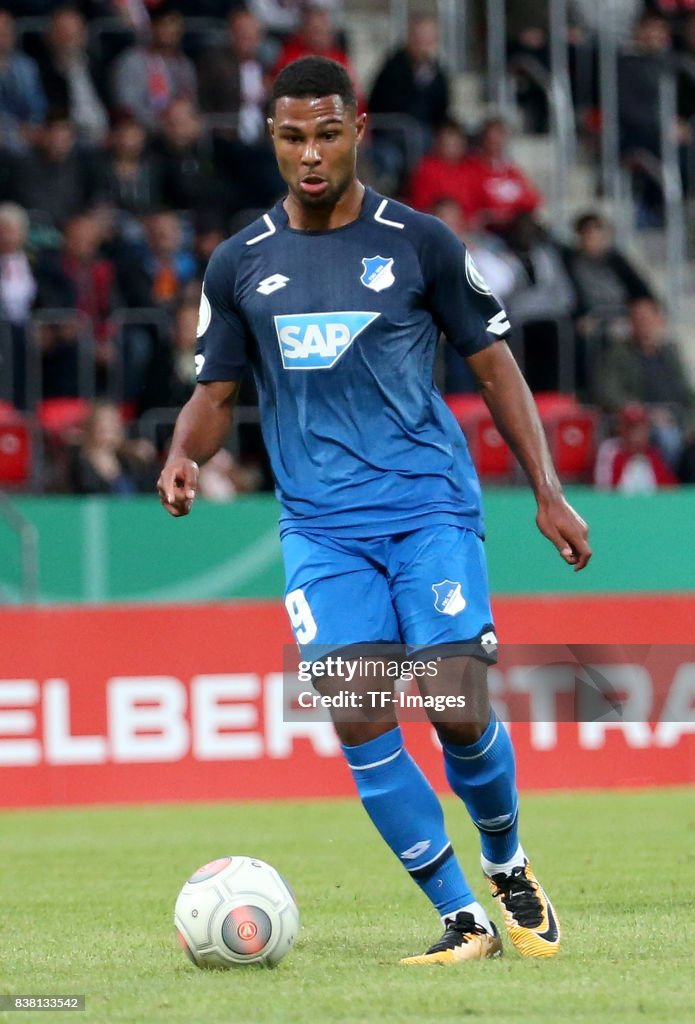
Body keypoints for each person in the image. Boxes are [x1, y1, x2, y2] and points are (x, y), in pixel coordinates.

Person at [157, 56, 591, 965]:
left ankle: (508, 863)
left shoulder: (420, 242)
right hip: (320, 529)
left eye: (325, 133)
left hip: (427, 507)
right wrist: (181, 454)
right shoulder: (240, 263)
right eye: (290, 136)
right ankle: (461, 915)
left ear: (356, 129)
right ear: (271, 139)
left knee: (454, 702)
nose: (309, 154)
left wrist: (545, 489)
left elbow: (494, 367)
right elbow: (214, 388)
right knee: (357, 716)